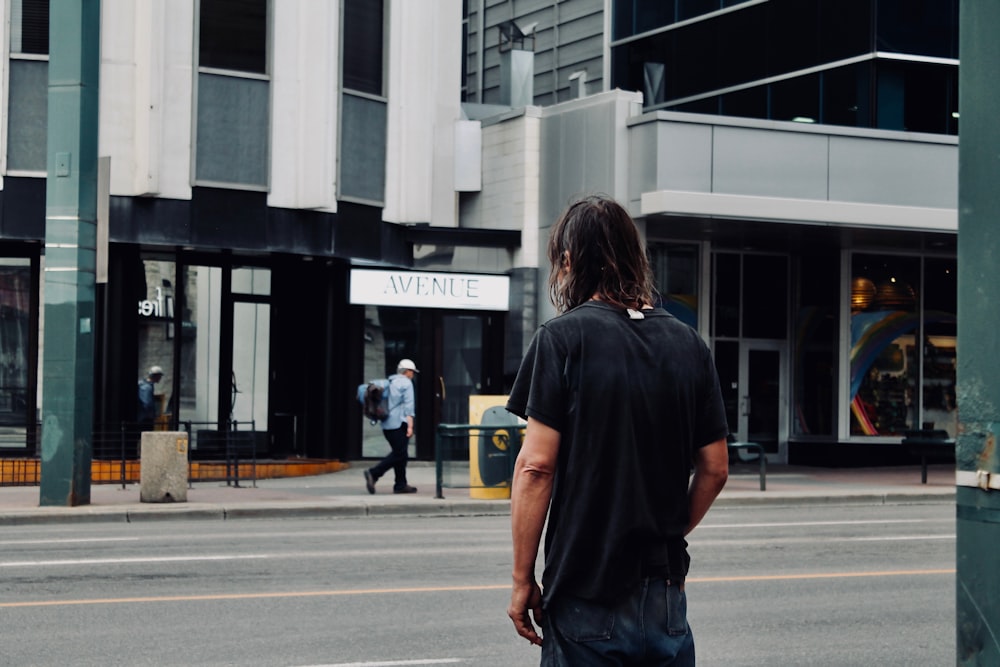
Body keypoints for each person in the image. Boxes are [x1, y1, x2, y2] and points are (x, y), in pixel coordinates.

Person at [505, 195, 730, 665]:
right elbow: (715, 469)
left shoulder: (562, 338)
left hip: (587, 588)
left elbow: (536, 467)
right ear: (634, 256)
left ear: (568, 261)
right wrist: (667, 531)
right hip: (665, 595)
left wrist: (522, 578)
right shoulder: (689, 344)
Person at [364, 358, 419, 494]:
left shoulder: (390, 382)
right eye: (412, 372)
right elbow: (408, 406)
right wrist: (410, 426)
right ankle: (374, 473)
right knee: (400, 453)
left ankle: (400, 485)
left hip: (387, 424)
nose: (413, 375)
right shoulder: (406, 383)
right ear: (407, 372)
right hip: (399, 424)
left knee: (401, 454)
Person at [137, 365, 164, 429]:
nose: (160, 378)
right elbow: (147, 404)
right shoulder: (147, 387)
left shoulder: (143, 384)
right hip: (145, 419)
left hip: (142, 417)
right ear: (156, 376)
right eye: (160, 376)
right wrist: (151, 416)